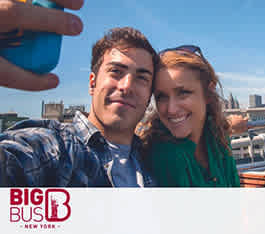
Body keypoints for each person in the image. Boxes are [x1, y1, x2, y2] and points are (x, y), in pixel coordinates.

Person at [0, 22, 159, 185]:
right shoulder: (57, 148)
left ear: (149, 96)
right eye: (116, 72)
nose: (126, 86)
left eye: (142, 78)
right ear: (92, 83)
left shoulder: (157, 163)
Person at [137, 45, 242, 187]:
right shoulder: (167, 157)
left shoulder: (217, 138)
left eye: (183, 93)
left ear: (208, 93)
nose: (171, 109)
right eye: (162, 97)